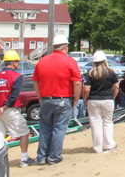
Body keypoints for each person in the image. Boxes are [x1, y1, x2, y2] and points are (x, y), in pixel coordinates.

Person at [33, 35, 82, 165]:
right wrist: (76, 98)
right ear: (65, 47)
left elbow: (35, 81)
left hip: (45, 99)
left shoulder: (42, 61)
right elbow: (77, 83)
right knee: (59, 128)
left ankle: (42, 157)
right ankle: (54, 157)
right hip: (63, 99)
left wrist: (40, 96)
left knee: (45, 128)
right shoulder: (70, 61)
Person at [0, 51, 36, 167]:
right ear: (14, 63)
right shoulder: (17, 76)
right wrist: (3, 108)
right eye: (17, 62)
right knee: (23, 132)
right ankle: (24, 159)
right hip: (9, 109)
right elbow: (13, 96)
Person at [83, 50, 119, 153]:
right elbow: (116, 87)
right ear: (105, 60)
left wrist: (86, 100)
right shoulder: (111, 72)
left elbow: (86, 90)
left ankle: (97, 147)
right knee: (108, 122)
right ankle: (110, 144)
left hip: (93, 100)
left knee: (95, 124)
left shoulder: (90, 74)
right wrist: (112, 97)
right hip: (107, 100)